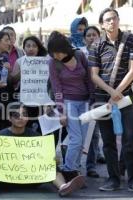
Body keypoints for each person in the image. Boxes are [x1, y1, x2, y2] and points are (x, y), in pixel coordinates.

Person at [89, 7, 133, 193]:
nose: (112, 22)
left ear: (119, 20)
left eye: (114, 18)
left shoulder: (131, 40)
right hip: (102, 98)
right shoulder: (96, 45)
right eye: (107, 20)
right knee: (108, 141)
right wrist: (110, 92)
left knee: (130, 138)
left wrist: (118, 92)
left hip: (125, 97)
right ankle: (113, 179)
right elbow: (94, 75)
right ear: (102, 24)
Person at [0, 104, 85, 197]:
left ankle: (63, 187)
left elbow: (44, 158)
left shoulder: (35, 136)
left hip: (32, 180)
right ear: (10, 118)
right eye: (16, 115)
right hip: (6, 181)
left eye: (24, 114)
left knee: (53, 169)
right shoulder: (0, 136)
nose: (21, 118)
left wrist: (53, 160)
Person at [47, 31, 93, 182]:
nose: (56, 56)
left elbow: (89, 78)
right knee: (76, 139)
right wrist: (61, 111)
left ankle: (76, 170)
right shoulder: (53, 63)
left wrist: (92, 99)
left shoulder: (79, 55)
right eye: (53, 53)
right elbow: (56, 88)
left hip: (85, 101)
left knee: (83, 139)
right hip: (68, 102)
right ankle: (68, 170)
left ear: (65, 48)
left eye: (57, 52)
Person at [82, 26, 105, 178]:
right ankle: (72, 167)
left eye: (94, 35)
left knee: (94, 133)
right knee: (78, 135)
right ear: (84, 39)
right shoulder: (79, 54)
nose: (91, 37)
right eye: (88, 35)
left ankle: (91, 166)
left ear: (99, 36)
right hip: (80, 98)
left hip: (99, 98)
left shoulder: (105, 53)